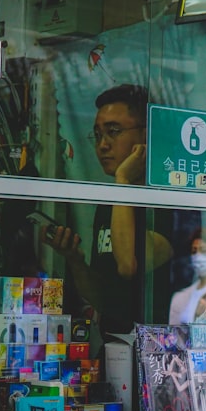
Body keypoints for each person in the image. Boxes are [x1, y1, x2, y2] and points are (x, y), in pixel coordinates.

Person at [43, 84, 173, 335]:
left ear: (147, 135)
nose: (103, 145)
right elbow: (102, 299)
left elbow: (128, 265)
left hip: (158, 350)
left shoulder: (167, 202)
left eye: (113, 131)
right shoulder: (111, 202)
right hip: (114, 344)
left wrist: (123, 179)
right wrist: (75, 260)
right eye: (98, 134)